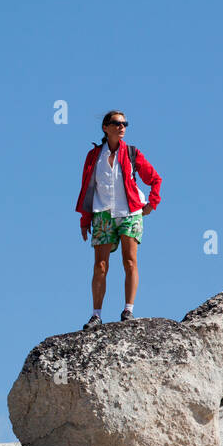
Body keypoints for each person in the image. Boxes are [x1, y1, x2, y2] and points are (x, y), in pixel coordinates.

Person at [75, 110, 162, 329]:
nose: (121, 127)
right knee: (100, 266)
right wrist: (85, 219)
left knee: (129, 260)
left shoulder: (132, 153)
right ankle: (96, 315)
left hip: (130, 212)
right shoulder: (94, 156)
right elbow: (87, 187)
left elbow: (154, 178)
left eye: (124, 123)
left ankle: (128, 310)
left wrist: (152, 202)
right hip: (103, 212)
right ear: (105, 127)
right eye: (116, 123)